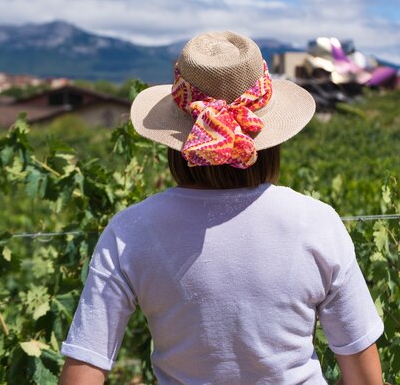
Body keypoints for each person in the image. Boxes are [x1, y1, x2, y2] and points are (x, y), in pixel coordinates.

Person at [59, 31, 384, 384]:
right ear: (269, 140)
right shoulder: (316, 223)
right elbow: (363, 374)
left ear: (176, 143)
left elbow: (83, 370)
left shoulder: (131, 230)